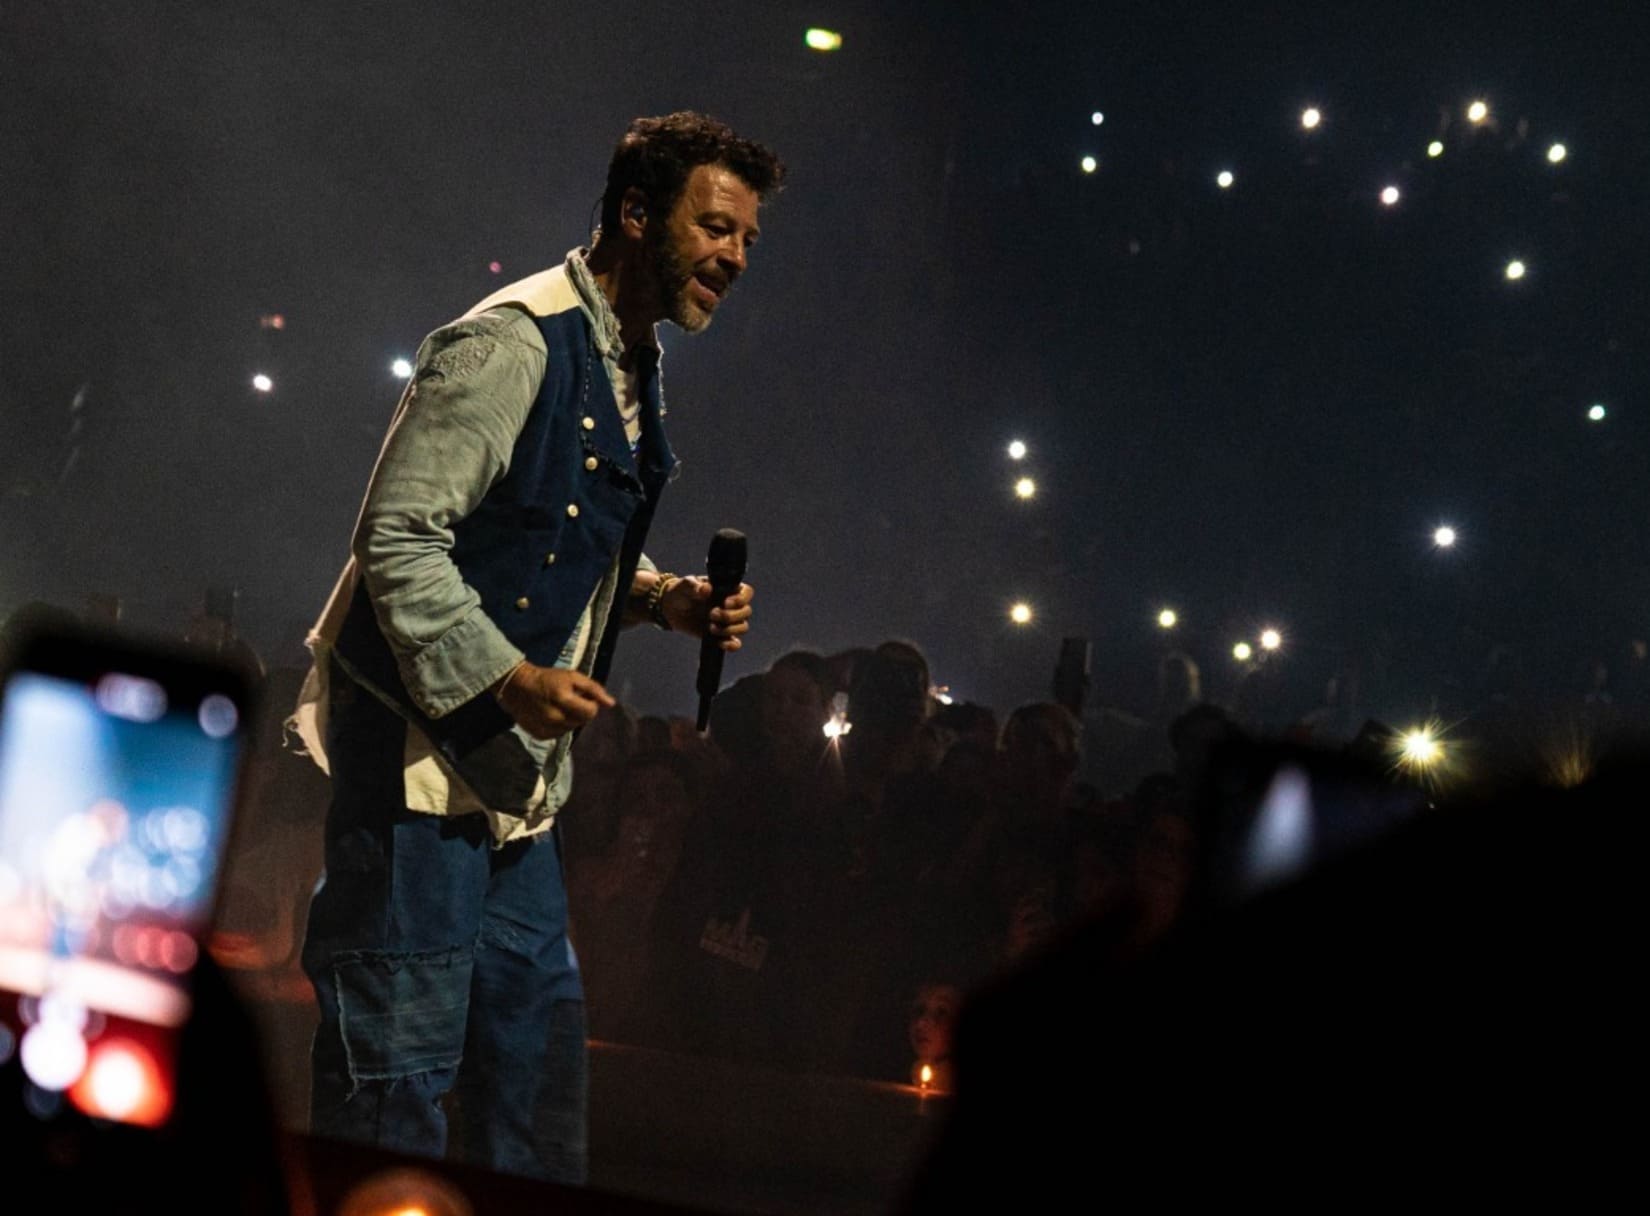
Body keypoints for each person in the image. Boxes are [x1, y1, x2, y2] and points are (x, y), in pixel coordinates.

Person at [287, 111, 785, 1183]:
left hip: (514, 798)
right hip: (419, 778)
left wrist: (662, 602)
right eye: (715, 228)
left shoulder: (630, 358)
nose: (736, 257)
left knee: (535, 1091)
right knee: (394, 1100)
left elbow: (543, 530)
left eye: (747, 238)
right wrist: (508, 676)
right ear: (635, 214)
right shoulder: (512, 341)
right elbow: (397, 537)